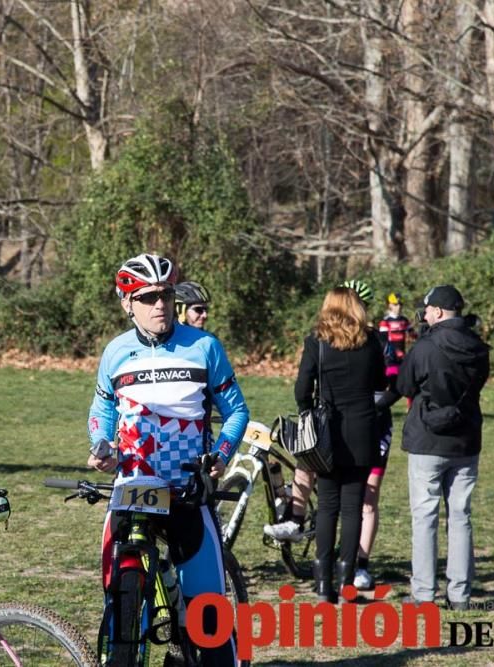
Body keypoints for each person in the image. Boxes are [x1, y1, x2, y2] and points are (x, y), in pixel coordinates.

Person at [88, 253, 249, 666]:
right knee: (118, 611)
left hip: (187, 491)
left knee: (208, 618)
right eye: (148, 297)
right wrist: (101, 444)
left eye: (167, 294)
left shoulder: (204, 347)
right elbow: (102, 410)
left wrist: (221, 456)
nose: (160, 304)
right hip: (134, 490)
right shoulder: (115, 353)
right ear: (128, 303)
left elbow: (237, 413)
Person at [287, 287, 387, 603]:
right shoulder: (371, 341)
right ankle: (347, 582)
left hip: (326, 432)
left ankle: (322, 584)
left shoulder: (316, 341)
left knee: (328, 506)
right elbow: (381, 384)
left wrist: (308, 410)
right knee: (353, 507)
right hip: (362, 430)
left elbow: (302, 387)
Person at [396, 285, 490, 610]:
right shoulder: (479, 347)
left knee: (425, 517)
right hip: (465, 440)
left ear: (436, 311)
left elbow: (404, 385)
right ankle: (460, 594)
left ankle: (424, 593)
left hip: (427, 440)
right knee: (461, 516)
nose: (424, 316)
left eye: (426, 310)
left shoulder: (426, 346)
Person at [353, 292, 412, 590]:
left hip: (375, 428)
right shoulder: (326, 342)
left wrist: (376, 405)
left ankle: (361, 565)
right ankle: (339, 560)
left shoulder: (381, 340)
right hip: (343, 431)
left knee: (368, 497)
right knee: (342, 497)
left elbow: (396, 385)